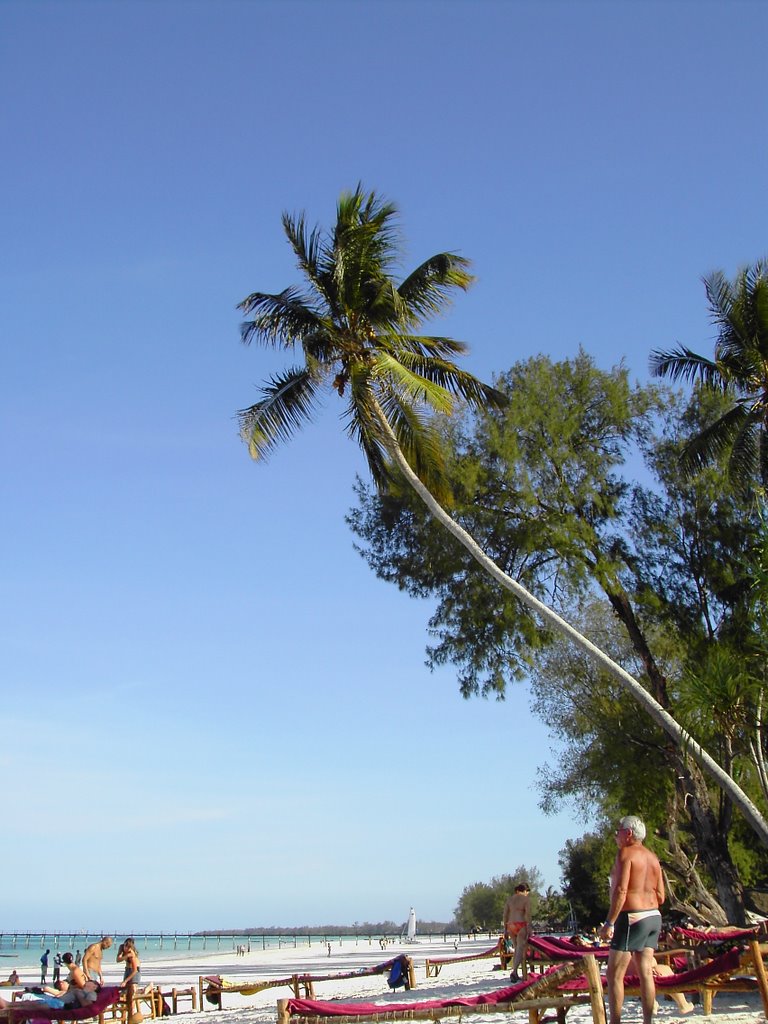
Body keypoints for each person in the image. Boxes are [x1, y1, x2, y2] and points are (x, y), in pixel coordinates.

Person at [599, 815, 665, 1024]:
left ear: (628, 834)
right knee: (645, 971)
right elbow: (662, 896)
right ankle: (648, 1021)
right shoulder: (653, 857)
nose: (616, 836)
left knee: (614, 974)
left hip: (633, 917)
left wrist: (609, 922)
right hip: (654, 916)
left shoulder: (625, 854)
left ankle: (615, 1021)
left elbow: (621, 891)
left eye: (618, 831)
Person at [503, 883, 531, 982]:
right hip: (521, 924)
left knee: (516, 949)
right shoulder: (525, 899)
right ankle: (514, 972)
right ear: (525, 891)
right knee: (520, 949)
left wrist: (505, 929)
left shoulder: (510, 899)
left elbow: (505, 915)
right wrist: (529, 928)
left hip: (511, 925)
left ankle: (518, 972)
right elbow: (527, 915)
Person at [117, 936, 141, 1021]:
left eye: (128, 946)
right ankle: (125, 1011)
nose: (126, 948)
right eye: (125, 946)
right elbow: (118, 960)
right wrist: (123, 954)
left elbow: (134, 970)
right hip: (127, 970)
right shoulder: (123, 950)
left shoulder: (132, 954)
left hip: (135, 971)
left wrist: (125, 981)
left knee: (132, 992)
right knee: (124, 992)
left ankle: (132, 1013)